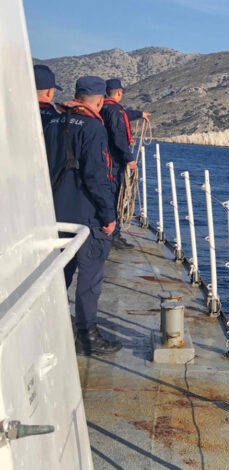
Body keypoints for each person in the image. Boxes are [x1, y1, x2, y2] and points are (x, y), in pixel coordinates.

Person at [44, 76, 122, 356]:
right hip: (85, 213)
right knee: (89, 276)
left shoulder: (53, 121)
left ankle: (53, 324)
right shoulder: (92, 127)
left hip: (55, 209)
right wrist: (108, 215)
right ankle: (87, 335)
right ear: (100, 100)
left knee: (59, 271)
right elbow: (96, 175)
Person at [100, 78, 150, 249]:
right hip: (114, 162)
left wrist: (139, 114)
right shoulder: (114, 111)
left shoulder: (102, 107)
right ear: (119, 92)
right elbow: (119, 138)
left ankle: (106, 228)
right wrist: (130, 159)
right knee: (115, 196)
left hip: (103, 159)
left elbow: (125, 115)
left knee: (106, 194)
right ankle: (114, 235)